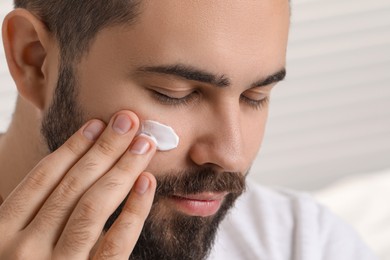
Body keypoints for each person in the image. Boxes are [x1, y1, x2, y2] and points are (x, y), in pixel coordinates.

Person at [0, 1, 377, 259]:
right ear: (34, 60)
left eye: (255, 96)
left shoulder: (304, 243)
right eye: (175, 94)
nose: (232, 155)